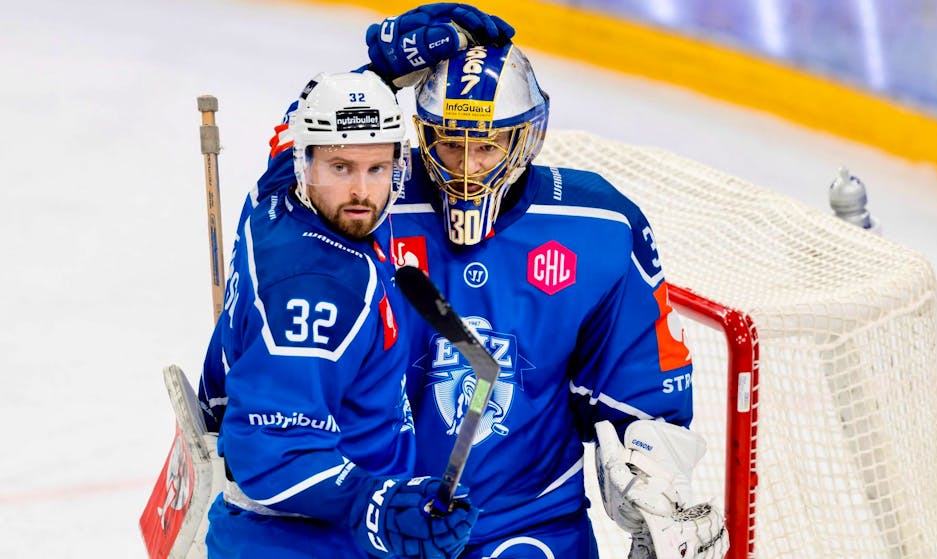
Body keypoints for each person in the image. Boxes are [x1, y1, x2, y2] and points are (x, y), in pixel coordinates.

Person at [234, 4, 728, 558]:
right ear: (420, 133)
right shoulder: (375, 196)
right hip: (382, 519)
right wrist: (373, 79)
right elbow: (290, 187)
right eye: (449, 143)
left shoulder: (601, 227)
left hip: (530, 523)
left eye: (487, 146)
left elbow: (639, 388)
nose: (466, 167)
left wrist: (650, 472)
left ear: (526, 139)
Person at [197, 70, 478, 559]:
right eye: (341, 168)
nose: (362, 194)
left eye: (377, 168)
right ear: (307, 164)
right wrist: (376, 505)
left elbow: (302, 128)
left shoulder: (276, 201)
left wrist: (384, 66)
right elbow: (273, 453)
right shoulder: (319, 291)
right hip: (298, 542)